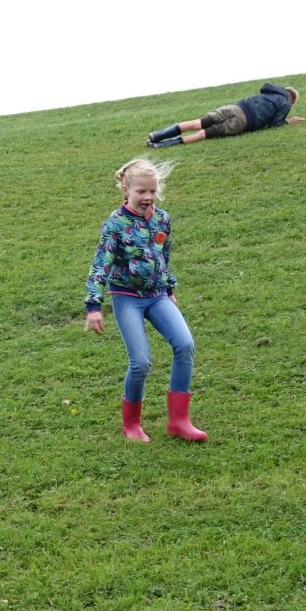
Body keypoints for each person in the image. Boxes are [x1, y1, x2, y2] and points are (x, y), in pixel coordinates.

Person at [84, 157, 206, 442]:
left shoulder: (162, 219)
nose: (148, 197)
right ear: (126, 190)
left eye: (152, 191)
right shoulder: (115, 224)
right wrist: (94, 306)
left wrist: (170, 290)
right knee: (140, 362)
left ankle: (178, 421)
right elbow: (100, 264)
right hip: (127, 298)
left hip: (157, 295)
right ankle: (131, 425)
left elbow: (164, 257)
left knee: (185, 344)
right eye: (141, 191)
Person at [146, 83, 302, 147]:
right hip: (243, 121)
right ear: (291, 101)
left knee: (198, 123)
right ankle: (161, 145)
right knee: (203, 133)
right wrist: (288, 121)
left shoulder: (269, 92)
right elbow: (275, 124)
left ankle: (156, 135)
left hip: (235, 107)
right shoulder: (284, 103)